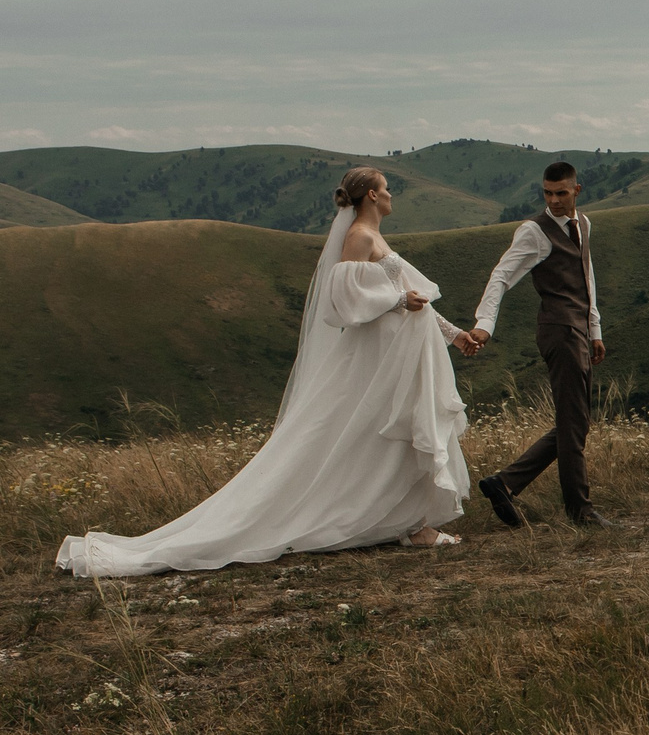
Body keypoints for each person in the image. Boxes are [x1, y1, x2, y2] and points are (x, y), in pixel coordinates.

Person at [56, 167, 481, 576]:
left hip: (398, 357)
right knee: (375, 434)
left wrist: (454, 334)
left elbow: (415, 302)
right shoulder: (359, 237)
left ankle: (408, 521)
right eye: (386, 188)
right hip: (379, 360)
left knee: (393, 436)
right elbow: (346, 301)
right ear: (371, 195)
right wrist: (395, 303)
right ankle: (398, 522)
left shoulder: (374, 236)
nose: (390, 195)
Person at [469, 159, 610, 527]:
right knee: (573, 422)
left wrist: (595, 330)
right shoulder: (533, 231)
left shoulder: (584, 224)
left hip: (578, 330)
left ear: (577, 190)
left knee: (575, 422)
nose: (554, 201)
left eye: (561, 193)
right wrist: (485, 323)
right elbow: (501, 274)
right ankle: (580, 511)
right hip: (557, 331)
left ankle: (504, 482)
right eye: (547, 193)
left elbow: (587, 276)